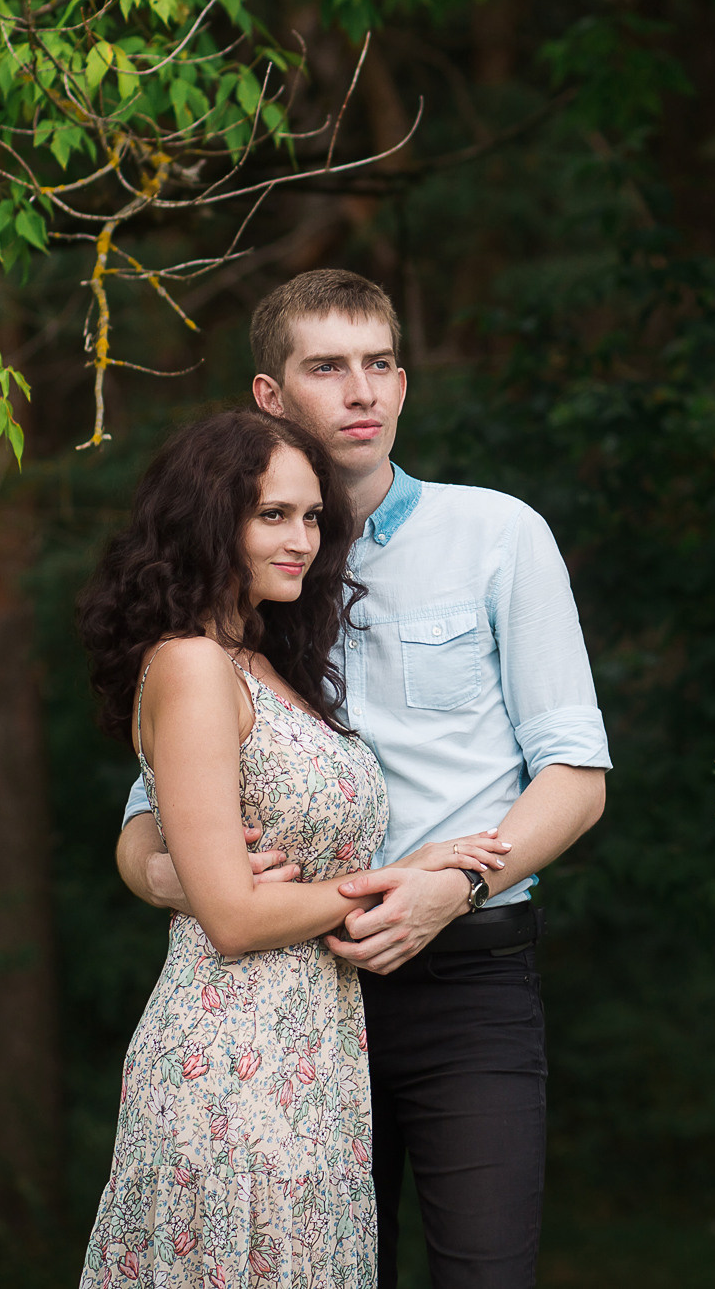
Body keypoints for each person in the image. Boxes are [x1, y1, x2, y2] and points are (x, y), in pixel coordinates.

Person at [114, 269, 610, 1289]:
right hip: (295, 990)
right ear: (270, 397)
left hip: (467, 970)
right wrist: (170, 879)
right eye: (327, 367)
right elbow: (150, 811)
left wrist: (453, 885)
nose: (363, 393)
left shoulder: (496, 536)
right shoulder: (253, 590)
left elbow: (577, 774)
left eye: (381, 364)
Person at [73, 408, 506, 1287]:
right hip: (231, 1065)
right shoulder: (193, 665)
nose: (302, 538)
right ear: (207, 517)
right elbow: (231, 917)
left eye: (312, 516)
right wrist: (402, 878)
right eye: (272, 514)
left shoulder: (266, 661)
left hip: (315, 1067)